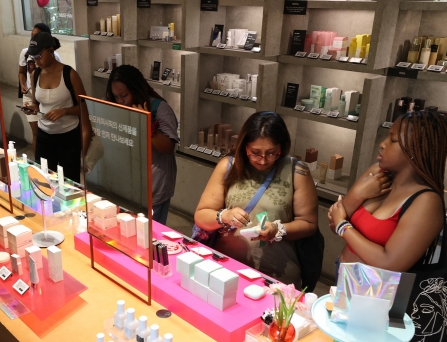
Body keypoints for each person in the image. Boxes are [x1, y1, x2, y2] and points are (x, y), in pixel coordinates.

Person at [328, 111, 447, 342]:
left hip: (377, 297)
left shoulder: (426, 202)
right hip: (346, 277)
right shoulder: (378, 174)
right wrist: (359, 193)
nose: (382, 143)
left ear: (415, 149)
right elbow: (335, 217)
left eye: (393, 139)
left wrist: (344, 228)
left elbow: (390, 262)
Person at [194, 112, 318, 287]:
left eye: (271, 153)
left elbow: (308, 224)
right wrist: (225, 216)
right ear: (245, 147)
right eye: (255, 152)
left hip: (277, 275)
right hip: (227, 269)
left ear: (281, 148)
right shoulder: (229, 166)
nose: (263, 160)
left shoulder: (296, 171)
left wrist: (278, 229)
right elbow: (201, 215)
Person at [105, 65, 179, 225]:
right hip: (127, 187)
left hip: (153, 188)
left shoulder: (160, 109)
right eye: (116, 96)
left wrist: (146, 124)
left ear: (136, 90)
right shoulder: (119, 106)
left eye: (123, 95)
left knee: (149, 238)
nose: (120, 101)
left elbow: (167, 147)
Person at [22, 32, 91, 183]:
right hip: (44, 136)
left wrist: (65, 111)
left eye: (39, 56)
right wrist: (31, 108)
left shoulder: (70, 74)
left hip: (68, 137)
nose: (37, 61)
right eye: (34, 58)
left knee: (69, 183)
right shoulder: (36, 74)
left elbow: (83, 108)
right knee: (44, 181)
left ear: (51, 50)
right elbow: (37, 103)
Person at [18, 23, 62, 153]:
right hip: (30, 95)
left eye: (36, 36)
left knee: (48, 133)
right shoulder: (25, 53)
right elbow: (21, 72)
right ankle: (39, 163)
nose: (33, 39)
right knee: (37, 134)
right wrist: (22, 84)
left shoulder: (57, 60)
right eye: (32, 35)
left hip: (46, 97)